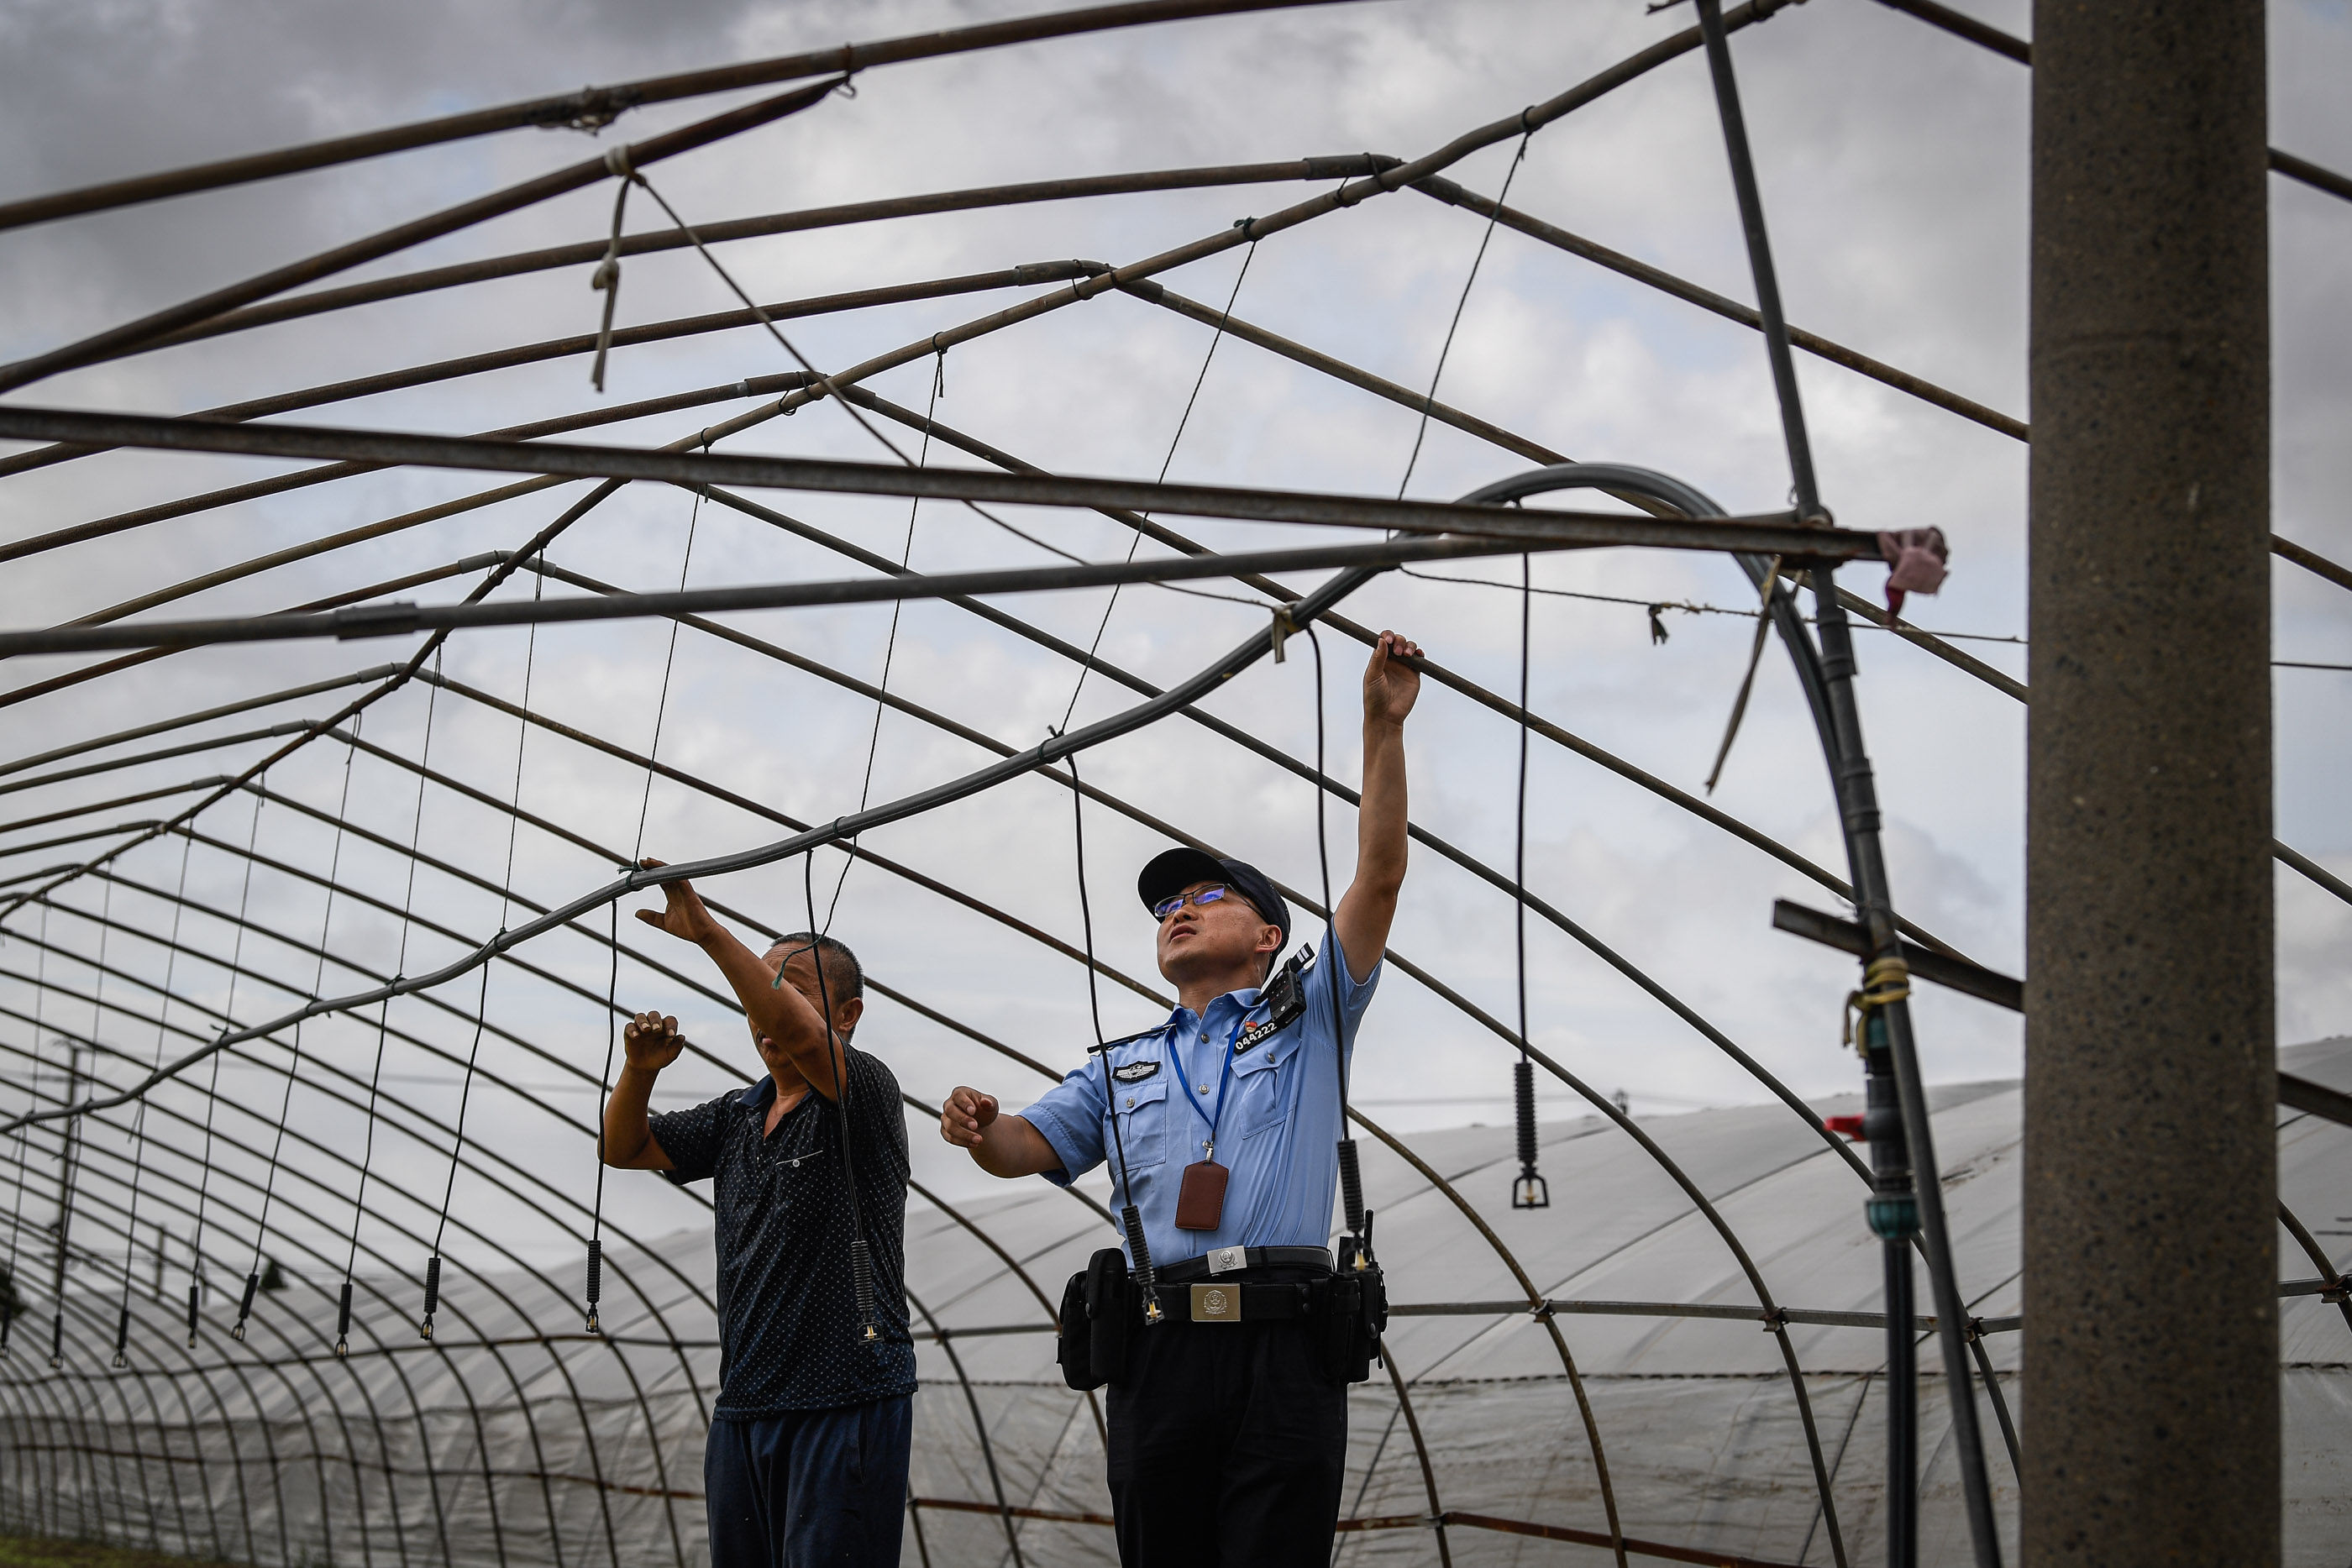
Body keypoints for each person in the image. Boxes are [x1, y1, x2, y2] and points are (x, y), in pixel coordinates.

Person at [938, 629, 1425, 1565]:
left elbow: (1380, 875)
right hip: (1160, 1349)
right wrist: (979, 1126)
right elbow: (1024, 1145)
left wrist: (1379, 726)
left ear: (1267, 936)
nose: (1178, 910)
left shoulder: (1311, 1012)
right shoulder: (1120, 1066)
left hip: (1284, 1347)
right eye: (1166, 906)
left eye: (1208, 895)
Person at [602, 862, 915, 1568]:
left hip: (844, 1398)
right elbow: (623, 1147)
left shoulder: (862, 1095)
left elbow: (802, 1039)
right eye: (757, 995)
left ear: (847, 1012)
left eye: (791, 993)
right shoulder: (739, 1115)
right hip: (744, 1404)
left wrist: (707, 931)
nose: (765, 1012)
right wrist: (641, 1069)